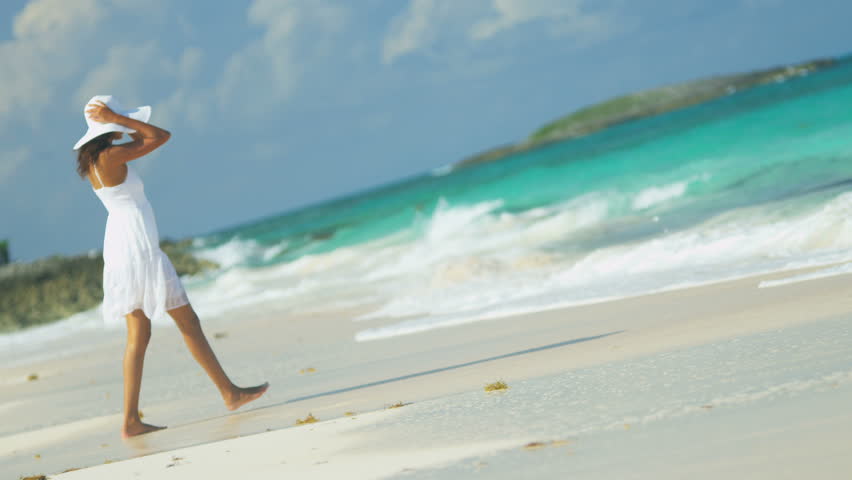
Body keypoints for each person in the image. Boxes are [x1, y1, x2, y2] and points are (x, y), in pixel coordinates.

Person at [73, 95, 268, 438]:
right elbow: (160, 136)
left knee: (141, 333)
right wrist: (118, 116)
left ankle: (133, 420)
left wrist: (116, 120)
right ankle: (229, 393)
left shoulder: (96, 159)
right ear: (110, 127)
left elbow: (144, 139)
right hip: (137, 246)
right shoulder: (112, 154)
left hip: (121, 244)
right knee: (185, 321)